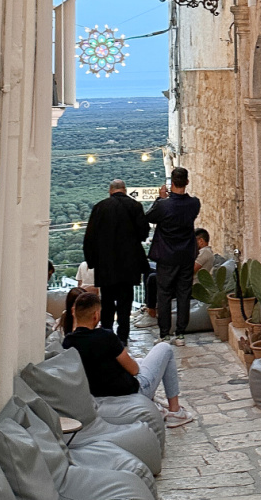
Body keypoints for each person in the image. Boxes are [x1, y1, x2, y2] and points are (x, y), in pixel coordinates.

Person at [62, 289, 190, 426]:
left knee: (141, 361)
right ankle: (176, 412)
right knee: (164, 349)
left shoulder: (68, 342)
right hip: (128, 392)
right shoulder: (106, 337)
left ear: (74, 313)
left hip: (97, 392)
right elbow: (134, 370)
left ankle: (156, 407)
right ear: (96, 315)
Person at [81, 178, 149, 342]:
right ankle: (123, 336)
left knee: (107, 301)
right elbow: (143, 234)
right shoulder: (135, 206)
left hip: (106, 265)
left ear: (110, 191)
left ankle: (107, 334)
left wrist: (92, 261)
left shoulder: (100, 207)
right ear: (124, 190)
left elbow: (89, 237)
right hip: (129, 264)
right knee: (126, 302)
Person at [145, 169, 201, 345]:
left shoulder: (164, 205)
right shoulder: (194, 203)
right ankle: (181, 334)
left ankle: (164, 334)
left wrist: (161, 198)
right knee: (184, 293)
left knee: (164, 294)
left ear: (171, 184)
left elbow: (149, 216)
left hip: (166, 255)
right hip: (186, 255)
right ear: (187, 182)